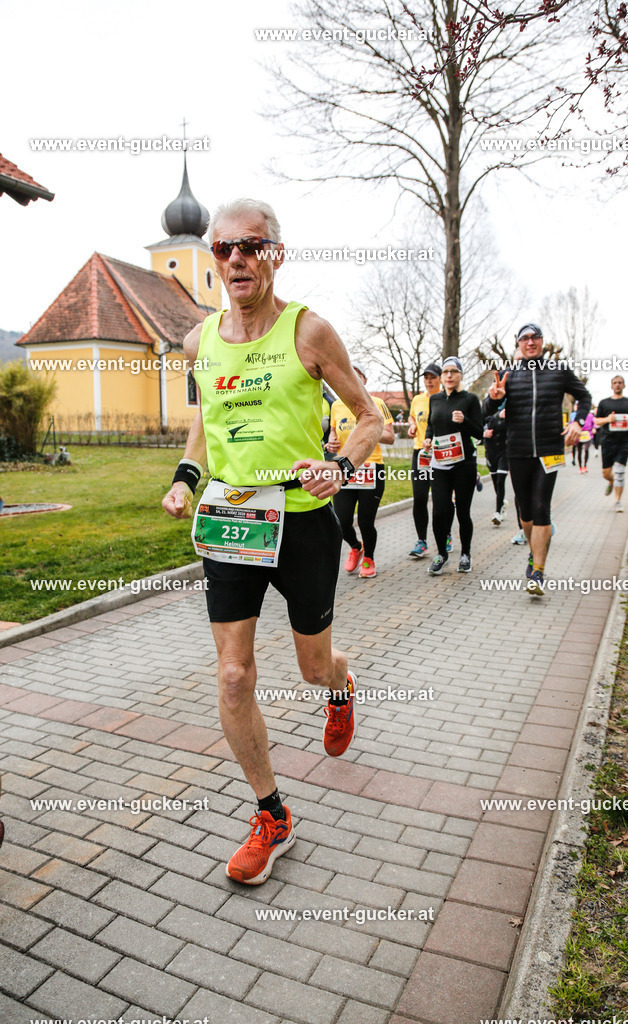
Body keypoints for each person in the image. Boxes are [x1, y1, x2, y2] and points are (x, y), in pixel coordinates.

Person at [162, 198, 383, 885]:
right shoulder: (201, 342)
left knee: (312, 668)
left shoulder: (308, 331)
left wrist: (340, 465)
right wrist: (185, 475)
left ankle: (340, 684)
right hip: (230, 520)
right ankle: (271, 813)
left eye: (251, 247)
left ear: (274, 254)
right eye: (224, 248)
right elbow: (206, 420)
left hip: (302, 523)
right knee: (233, 675)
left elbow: (371, 418)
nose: (236, 259)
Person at [483, 323, 591, 596]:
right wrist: (494, 399)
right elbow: (487, 412)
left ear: (542, 341)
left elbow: (584, 396)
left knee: (542, 507)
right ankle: (534, 553)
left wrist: (578, 422)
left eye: (535, 337)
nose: (530, 342)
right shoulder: (509, 374)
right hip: (517, 450)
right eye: (525, 338)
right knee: (526, 514)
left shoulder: (558, 371)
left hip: (549, 449)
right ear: (518, 344)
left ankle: (538, 572)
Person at [327, 364, 394, 578]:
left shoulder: (377, 404)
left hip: (371, 468)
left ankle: (369, 559)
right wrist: (331, 444)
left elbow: (390, 437)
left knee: (366, 520)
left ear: (364, 380)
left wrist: (367, 429)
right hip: (344, 469)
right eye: (349, 375)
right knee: (342, 520)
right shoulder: (337, 406)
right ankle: (356, 547)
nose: (352, 379)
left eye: (358, 376)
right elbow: (333, 435)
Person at [423, 356, 483, 575]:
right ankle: (442, 554)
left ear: (460, 375)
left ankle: (465, 553)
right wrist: (428, 439)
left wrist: (464, 421)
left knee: (463, 511)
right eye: (446, 372)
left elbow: (480, 432)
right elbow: (431, 424)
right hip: (440, 463)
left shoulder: (470, 399)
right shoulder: (435, 399)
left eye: (453, 372)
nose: (449, 376)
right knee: (439, 511)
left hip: (464, 463)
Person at [407, 361, 441, 557]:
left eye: (433, 377)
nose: (429, 381)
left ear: (439, 379)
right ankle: (422, 541)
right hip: (420, 453)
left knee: (441, 500)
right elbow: (413, 417)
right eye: (426, 378)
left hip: (441, 455)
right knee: (419, 498)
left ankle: (444, 536)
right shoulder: (418, 399)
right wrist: (412, 425)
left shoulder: (445, 398)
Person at [594, 376, 628, 512]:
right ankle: (610, 481)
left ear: (624, 385)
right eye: (615, 383)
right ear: (611, 386)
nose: (617, 385)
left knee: (620, 472)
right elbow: (596, 421)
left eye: (620, 383)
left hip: (624, 442)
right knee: (606, 473)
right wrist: (608, 419)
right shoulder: (604, 403)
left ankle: (617, 501)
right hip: (608, 441)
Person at [483, 405, 509, 525]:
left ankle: (498, 512)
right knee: (495, 483)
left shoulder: (507, 407)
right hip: (491, 452)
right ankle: (502, 503)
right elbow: (477, 426)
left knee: (500, 481)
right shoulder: (486, 410)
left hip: (504, 451)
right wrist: (483, 433)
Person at [576, 408, 596, 474]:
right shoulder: (577, 415)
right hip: (579, 434)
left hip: (588, 434)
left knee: (586, 450)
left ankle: (585, 465)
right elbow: (572, 423)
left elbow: (594, 423)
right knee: (579, 451)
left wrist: (593, 428)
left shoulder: (590, 415)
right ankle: (580, 467)